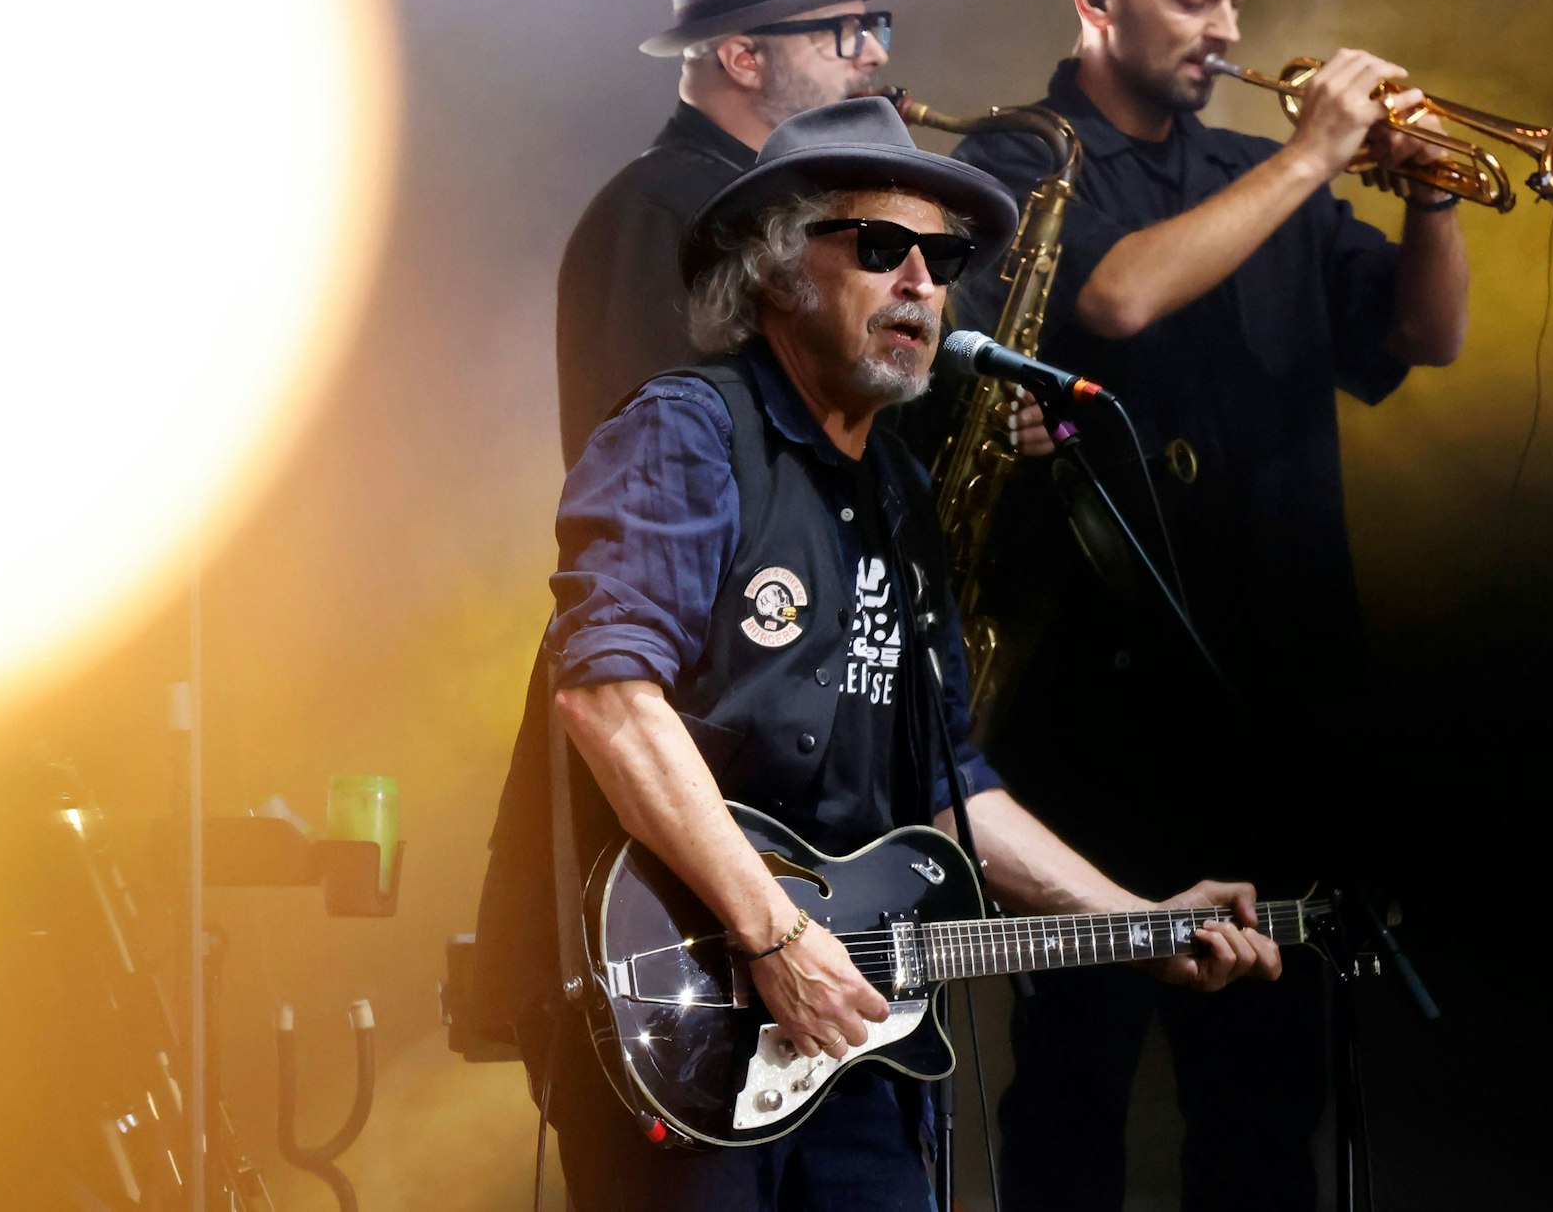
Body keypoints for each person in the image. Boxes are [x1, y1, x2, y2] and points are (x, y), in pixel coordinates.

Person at [475, 96, 1284, 1212]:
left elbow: (949, 784)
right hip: (674, 1003)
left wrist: (1131, 921)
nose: (921, 281)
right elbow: (610, 699)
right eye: (878, 246)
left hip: (843, 1030)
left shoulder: (895, 494)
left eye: (941, 255)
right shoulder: (687, 430)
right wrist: (773, 935)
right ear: (772, 273)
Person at [946, 0, 1470, 1211]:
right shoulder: (1017, 158)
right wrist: (1314, 161)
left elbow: (1422, 339)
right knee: (1075, 1091)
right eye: (1193, 0)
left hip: (1270, 710)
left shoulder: (1258, 174)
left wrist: (1432, 195)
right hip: (1091, 723)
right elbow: (1115, 299)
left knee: (1265, 1109)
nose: (1227, 29)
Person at [555, 0, 895, 466]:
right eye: (843, 33)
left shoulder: (781, 195)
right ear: (743, 59)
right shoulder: (652, 212)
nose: (876, 52)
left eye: (870, 26)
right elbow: (649, 470)